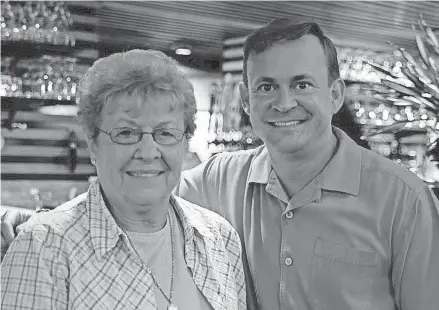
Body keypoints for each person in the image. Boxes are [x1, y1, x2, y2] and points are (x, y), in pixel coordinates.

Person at [2, 19, 439, 310]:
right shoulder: (219, 181)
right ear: (247, 103)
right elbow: (133, 195)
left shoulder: (404, 199)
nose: (284, 102)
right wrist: (28, 221)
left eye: (301, 84)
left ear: (335, 95)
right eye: (266, 87)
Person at [1, 49, 246, 310]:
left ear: (185, 142)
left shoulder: (219, 238)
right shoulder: (44, 246)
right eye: (126, 133)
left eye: (165, 133)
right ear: (93, 143)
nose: (148, 152)